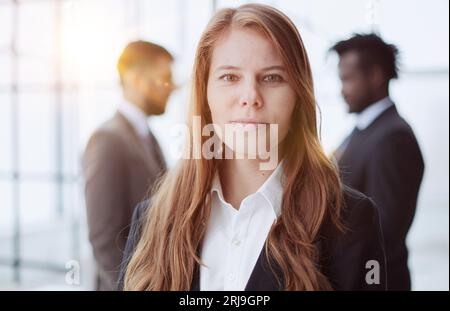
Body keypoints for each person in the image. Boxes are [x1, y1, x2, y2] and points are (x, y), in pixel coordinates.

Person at [118, 4, 386, 291]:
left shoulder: (350, 221)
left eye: (272, 77)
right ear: (204, 92)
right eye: (230, 77)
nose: (250, 97)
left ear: (298, 95)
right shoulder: (152, 220)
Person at [330, 34, 425, 290]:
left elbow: (385, 232)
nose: (342, 90)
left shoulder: (393, 138)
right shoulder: (364, 130)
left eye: (347, 79)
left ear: (374, 76)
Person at [82, 41, 175, 290]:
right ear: (135, 79)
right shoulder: (107, 139)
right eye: (164, 78)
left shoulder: (148, 137)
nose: (172, 87)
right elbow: (104, 239)